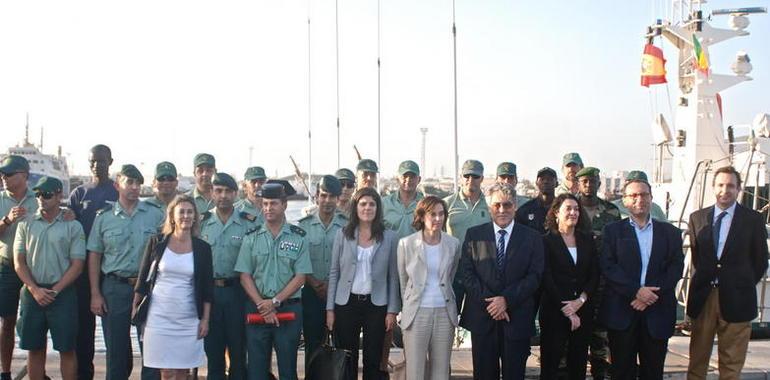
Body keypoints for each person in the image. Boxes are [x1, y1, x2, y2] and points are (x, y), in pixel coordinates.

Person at [686, 166, 769, 380]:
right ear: (713, 188)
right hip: (704, 298)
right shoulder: (697, 218)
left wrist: (742, 283)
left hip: (738, 299)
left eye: (731, 186)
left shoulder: (753, 220)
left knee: (731, 366)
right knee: (697, 362)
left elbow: (760, 260)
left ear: (739, 189)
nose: (725, 190)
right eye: (721, 185)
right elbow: (697, 258)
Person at [599, 176, 684, 380]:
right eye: (633, 195)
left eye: (644, 194)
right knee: (621, 371)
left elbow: (676, 267)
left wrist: (650, 294)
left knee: (653, 371)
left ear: (651, 198)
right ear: (625, 201)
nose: (639, 199)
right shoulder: (612, 232)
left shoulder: (670, 233)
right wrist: (636, 291)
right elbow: (608, 267)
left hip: (657, 311)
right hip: (623, 311)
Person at [457, 183, 544, 380]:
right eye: (497, 205)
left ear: (515, 206)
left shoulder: (532, 238)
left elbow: (535, 276)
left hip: (517, 318)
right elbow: (468, 274)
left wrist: (506, 300)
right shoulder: (474, 235)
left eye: (507, 205)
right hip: (482, 318)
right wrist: (493, 304)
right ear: (489, 207)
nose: (502, 210)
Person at [87, 165, 164, 380]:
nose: (134, 187)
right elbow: (95, 255)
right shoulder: (104, 217)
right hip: (115, 288)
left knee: (150, 347)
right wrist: (95, 293)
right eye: (129, 182)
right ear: (117, 185)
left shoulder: (155, 215)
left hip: (147, 288)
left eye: (138, 183)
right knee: (116, 351)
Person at [235, 180, 312, 380]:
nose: (268, 208)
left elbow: (301, 276)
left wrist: (275, 302)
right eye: (266, 203)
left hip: (288, 310)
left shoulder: (298, 237)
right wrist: (263, 305)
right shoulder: (251, 237)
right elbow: (244, 275)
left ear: (284, 205)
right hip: (256, 310)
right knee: (256, 372)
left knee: (288, 371)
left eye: (274, 203)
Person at [13, 176, 86, 380]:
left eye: (46, 194)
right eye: (37, 194)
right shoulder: (25, 224)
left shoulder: (73, 226)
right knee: (34, 348)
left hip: (62, 293)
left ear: (58, 195)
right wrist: (34, 289)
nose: (41, 199)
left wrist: (55, 290)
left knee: (67, 348)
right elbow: (19, 262)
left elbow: (77, 265)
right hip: (32, 292)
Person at [133, 195, 213, 380]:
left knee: (182, 371)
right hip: (158, 317)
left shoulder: (203, 248)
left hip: (188, 318)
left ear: (195, 217)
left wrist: (205, 320)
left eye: (190, 212)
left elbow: (208, 289)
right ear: (173, 216)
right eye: (181, 212)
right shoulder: (157, 242)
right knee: (165, 371)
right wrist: (136, 310)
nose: (186, 216)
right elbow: (143, 280)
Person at [326, 187, 401, 380]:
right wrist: (330, 310)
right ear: (355, 207)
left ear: (378, 208)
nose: (367, 208)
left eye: (372, 204)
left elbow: (393, 276)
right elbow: (334, 273)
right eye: (363, 204)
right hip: (346, 304)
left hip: (376, 306)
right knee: (347, 357)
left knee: (373, 358)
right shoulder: (342, 234)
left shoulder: (390, 237)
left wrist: (392, 310)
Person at [68, 144, 119, 380]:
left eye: (101, 161)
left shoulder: (118, 193)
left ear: (110, 161)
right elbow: (68, 228)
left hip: (110, 270)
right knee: (83, 332)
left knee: (115, 332)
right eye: (92, 161)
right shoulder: (79, 194)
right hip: (82, 271)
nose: (96, 166)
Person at [397, 196, 461, 380]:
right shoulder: (406, 244)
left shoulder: (453, 244)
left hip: (444, 313)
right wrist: (407, 308)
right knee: (415, 371)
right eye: (432, 214)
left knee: (441, 372)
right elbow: (403, 281)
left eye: (441, 214)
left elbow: (451, 276)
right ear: (422, 216)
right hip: (416, 314)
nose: (438, 219)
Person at [200, 173, 257, 380]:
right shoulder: (202, 223)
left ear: (235, 193)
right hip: (210, 295)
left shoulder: (248, 223)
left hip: (237, 294)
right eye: (218, 191)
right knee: (213, 354)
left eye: (227, 191)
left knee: (238, 352)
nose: (223, 195)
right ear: (212, 193)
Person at [539, 194, 598, 380]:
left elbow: (595, 274)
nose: (573, 212)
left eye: (576, 209)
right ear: (556, 212)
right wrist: (567, 309)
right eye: (568, 208)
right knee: (550, 364)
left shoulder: (588, 240)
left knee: (578, 364)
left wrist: (580, 301)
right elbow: (546, 277)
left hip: (583, 310)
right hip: (554, 312)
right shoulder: (545, 241)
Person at [575, 166, 620, 380]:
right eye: (584, 181)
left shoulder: (611, 211)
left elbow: (617, 245)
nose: (588, 185)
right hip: (577, 281)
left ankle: (600, 373)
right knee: (573, 338)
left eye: (592, 181)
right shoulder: (570, 208)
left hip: (603, 282)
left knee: (601, 336)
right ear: (578, 184)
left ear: (598, 184)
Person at [297, 175, 347, 370]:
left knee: (341, 345)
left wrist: (331, 286)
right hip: (311, 292)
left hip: (339, 294)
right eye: (323, 196)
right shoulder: (304, 225)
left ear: (338, 198)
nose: (327, 201)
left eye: (332, 196)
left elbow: (349, 260)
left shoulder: (346, 225)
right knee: (313, 344)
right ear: (317, 196)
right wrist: (315, 283)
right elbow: (299, 261)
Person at [0, 155, 37, 380]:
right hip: (6, 266)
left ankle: (36, 370)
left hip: (34, 268)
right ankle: (5, 372)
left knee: (36, 320)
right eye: (2, 173)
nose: (3, 177)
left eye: (9, 173)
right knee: (7, 320)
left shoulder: (38, 198)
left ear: (24, 175)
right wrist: (7, 220)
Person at [444, 159, 491, 314]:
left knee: (479, 314)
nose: (471, 180)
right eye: (467, 176)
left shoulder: (491, 205)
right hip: (454, 266)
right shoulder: (447, 204)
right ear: (460, 177)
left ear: (482, 178)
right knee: (450, 312)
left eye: (475, 176)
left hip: (482, 267)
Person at [382, 160, 424, 239]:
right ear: (397, 179)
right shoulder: (384, 203)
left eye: (412, 176)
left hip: (417, 250)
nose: (408, 180)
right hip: (390, 251)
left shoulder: (426, 204)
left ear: (419, 179)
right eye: (404, 176)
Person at [516, 167, 558, 234]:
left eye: (549, 179)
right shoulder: (525, 210)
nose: (545, 182)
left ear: (556, 183)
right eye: (542, 179)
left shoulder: (561, 207)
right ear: (536, 183)